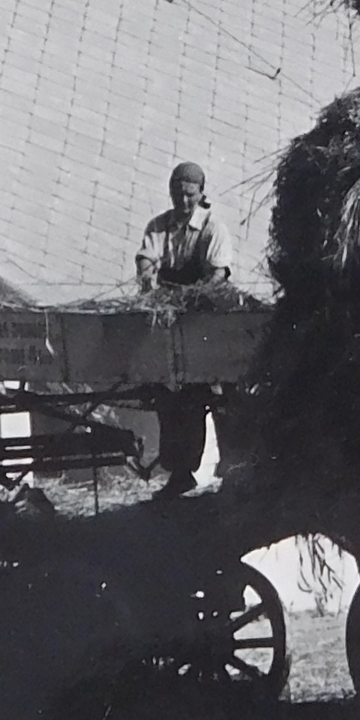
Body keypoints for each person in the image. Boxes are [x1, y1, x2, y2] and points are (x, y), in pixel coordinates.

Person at [134, 162, 236, 497]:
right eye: (177, 194)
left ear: (201, 193)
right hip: (168, 322)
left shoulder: (212, 228)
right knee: (168, 399)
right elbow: (146, 259)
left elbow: (217, 276)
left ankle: (226, 467)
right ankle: (179, 473)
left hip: (202, 322)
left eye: (189, 194)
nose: (183, 200)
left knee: (206, 396)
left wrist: (191, 299)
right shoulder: (158, 226)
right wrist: (148, 278)